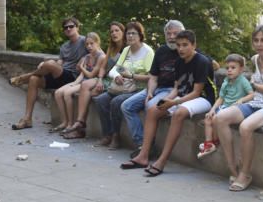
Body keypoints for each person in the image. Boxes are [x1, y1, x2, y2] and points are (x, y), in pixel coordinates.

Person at [121, 30, 214, 175]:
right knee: (153, 110)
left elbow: (196, 92)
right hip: (184, 96)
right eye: (178, 45)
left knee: (179, 112)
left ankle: (162, 160)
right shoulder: (178, 62)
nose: (181, 49)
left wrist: (172, 103)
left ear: (194, 45)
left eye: (185, 45)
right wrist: (168, 99)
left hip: (204, 99)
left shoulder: (201, 61)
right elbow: (177, 88)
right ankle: (143, 156)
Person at [213, 26, 263, 192]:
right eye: (256, 40)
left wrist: (254, 84)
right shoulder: (255, 59)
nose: (259, 44)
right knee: (220, 118)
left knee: (246, 127)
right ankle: (232, 168)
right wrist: (255, 87)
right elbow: (259, 90)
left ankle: (245, 174)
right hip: (258, 101)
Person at [120, 19, 184, 155]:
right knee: (126, 106)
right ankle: (142, 144)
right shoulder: (161, 51)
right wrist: (150, 92)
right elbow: (153, 77)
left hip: (172, 91)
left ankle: (146, 148)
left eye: (175, 33)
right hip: (155, 88)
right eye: (169, 34)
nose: (172, 37)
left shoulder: (186, 50)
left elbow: (208, 64)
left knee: (151, 107)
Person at [9, 16, 86, 130]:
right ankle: (27, 119)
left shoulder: (84, 41)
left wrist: (84, 62)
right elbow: (59, 63)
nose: (68, 29)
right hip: (61, 75)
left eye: (71, 26)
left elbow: (97, 51)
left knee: (48, 64)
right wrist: (45, 66)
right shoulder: (64, 46)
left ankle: (23, 78)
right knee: (34, 79)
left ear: (77, 27)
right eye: (66, 28)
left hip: (74, 77)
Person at [92, 21, 153, 149]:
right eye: (128, 33)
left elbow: (151, 77)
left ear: (140, 35)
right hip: (122, 87)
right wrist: (117, 76)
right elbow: (115, 69)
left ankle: (116, 136)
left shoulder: (148, 52)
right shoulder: (126, 50)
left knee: (116, 102)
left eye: (133, 33)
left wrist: (131, 76)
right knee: (100, 100)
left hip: (138, 89)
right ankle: (107, 135)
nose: (130, 36)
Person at [67, 21, 126, 138]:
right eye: (112, 31)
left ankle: (80, 128)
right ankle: (80, 123)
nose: (114, 33)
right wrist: (99, 79)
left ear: (123, 32)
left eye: (117, 30)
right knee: (85, 87)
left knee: (91, 94)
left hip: (118, 81)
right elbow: (103, 67)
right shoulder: (111, 48)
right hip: (104, 78)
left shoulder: (127, 48)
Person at [198, 53, 254, 159]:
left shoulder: (243, 81)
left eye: (233, 68)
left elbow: (252, 94)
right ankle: (209, 143)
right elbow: (221, 98)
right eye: (227, 68)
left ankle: (215, 142)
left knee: (215, 119)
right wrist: (212, 109)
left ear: (241, 69)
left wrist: (242, 99)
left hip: (234, 109)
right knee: (208, 118)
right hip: (224, 107)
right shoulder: (226, 82)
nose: (229, 70)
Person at [56, 32, 106, 138]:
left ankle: (71, 124)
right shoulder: (87, 56)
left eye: (92, 43)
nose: (89, 46)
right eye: (87, 44)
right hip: (83, 80)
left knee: (67, 93)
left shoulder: (101, 57)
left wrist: (82, 67)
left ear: (98, 43)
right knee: (58, 92)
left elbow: (91, 74)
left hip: (91, 82)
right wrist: (73, 83)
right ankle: (65, 122)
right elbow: (82, 75)